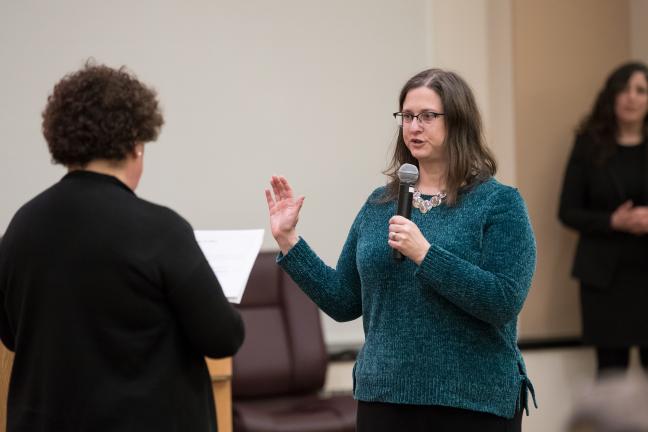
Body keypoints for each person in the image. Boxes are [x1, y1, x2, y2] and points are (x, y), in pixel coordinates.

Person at [265, 68, 537, 431]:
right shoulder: (381, 204)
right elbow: (345, 301)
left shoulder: (498, 203)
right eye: (407, 116)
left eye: (427, 116)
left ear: (458, 122)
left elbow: (503, 300)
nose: (413, 127)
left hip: (473, 400)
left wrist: (426, 254)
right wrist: (289, 240)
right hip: (385, 398)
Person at [0, 63, 244, 431]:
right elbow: (223, 336)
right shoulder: (161, 230)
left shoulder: (21, 228)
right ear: (136, 145)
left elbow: (11, 335)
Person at [559, 62, 648, 375]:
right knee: (611, 376)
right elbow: (567, 211)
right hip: (604, 279)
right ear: (611, 96)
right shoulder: (588, 144)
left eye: (640, 90)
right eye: (623, 89)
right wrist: (614, 221)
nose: (631, 98)